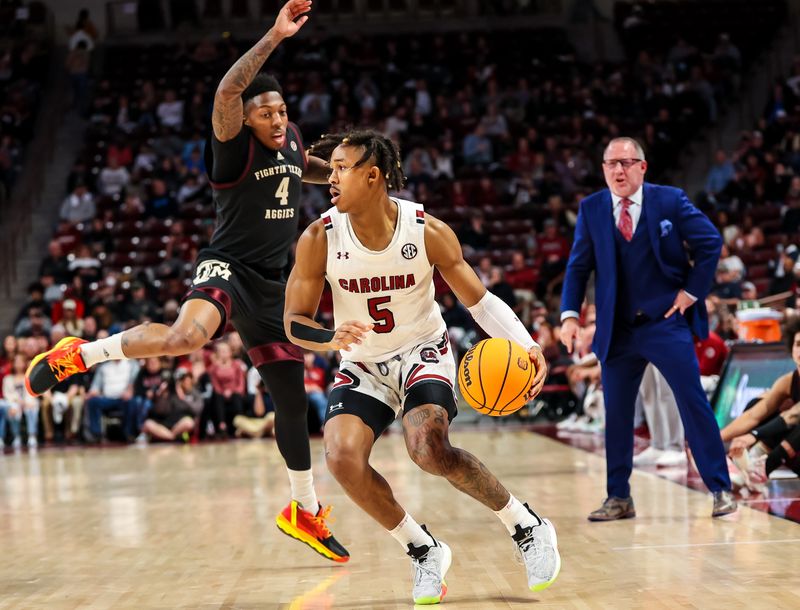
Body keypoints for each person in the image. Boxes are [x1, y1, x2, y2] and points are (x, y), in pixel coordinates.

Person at [24, 0, 348, 564]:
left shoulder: (292, 138)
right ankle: (81, 354)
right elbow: (227, 90)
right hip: (228, 266)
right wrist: (273, 35)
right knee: (185, 339)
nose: (275, 120)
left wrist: (339, 177)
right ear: (245, 118)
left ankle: (303, 509)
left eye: (280, 111)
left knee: (292, 404)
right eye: (264, 113)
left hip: (274, 284)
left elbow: (306, 167)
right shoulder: (231, 141)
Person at [284, 129, 559, 605]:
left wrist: (527, 344)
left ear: (373, 176)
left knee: (428, 448)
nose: (330, 179)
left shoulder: (424, 229)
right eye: (329, 169)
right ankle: (422, 549)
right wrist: (329, 338)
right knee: (341, 459)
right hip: (363, 363)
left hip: (422, 351)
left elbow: (478, 300)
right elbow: (293, 322)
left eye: (341, 168)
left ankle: (525, 524)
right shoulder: (318, 238)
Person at [559, 137, 736, 520]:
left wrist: (691, 292)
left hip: (665, 323)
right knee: (617, 415)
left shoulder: (669, 200)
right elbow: (578, 267)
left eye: (626, 162)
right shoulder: (591, 208)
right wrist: (569, 315)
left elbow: (710, 242)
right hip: (617, 328)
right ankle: (618, 497)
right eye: (611, 164)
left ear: (643, 166)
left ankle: (721, 488)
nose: (618, 170)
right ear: (603, 169)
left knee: (693, 404)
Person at [722, 318, 800, 492]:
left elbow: (794, 414)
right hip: (792, 450)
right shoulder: (788, 381)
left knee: (793, 417)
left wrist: (754, 435)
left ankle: (764, 465)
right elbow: (754, 415)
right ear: (791, 348)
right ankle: (752, 465)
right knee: (760, 403)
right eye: (798, 344)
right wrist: (714, 439)